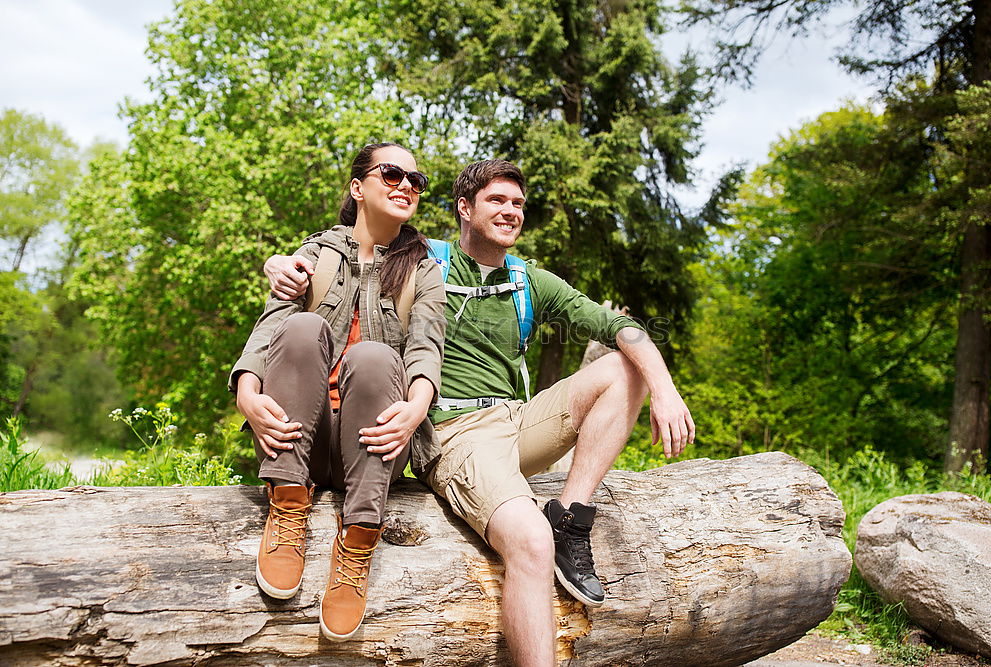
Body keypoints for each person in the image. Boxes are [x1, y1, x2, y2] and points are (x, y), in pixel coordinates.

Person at [264, 159, 694, 666]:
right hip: (455, 431)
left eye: (518, 204)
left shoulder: (529, 280)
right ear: (464, 209)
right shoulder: (425, 259)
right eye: (497, 201)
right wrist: (276, 261)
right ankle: (542, 544)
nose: (511, 212)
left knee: (627, 368)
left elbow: (620, 328)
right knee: (529, 545)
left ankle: (569, 517)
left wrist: (664, 388)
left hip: (518, 420)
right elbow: (351, 243)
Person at [230, 143, 445, 641]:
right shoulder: (312, 256)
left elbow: (426, 346)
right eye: (392, 173)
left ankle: (358, 539)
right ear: (357, 187)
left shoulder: (424, 269)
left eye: (417, 179)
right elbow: (270, 329)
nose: (407, 185)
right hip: (300, 439)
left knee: (373, 356)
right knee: (303, 326)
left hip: (372, 448)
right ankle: (286, 505)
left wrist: (416, 408)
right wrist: (245, 391)